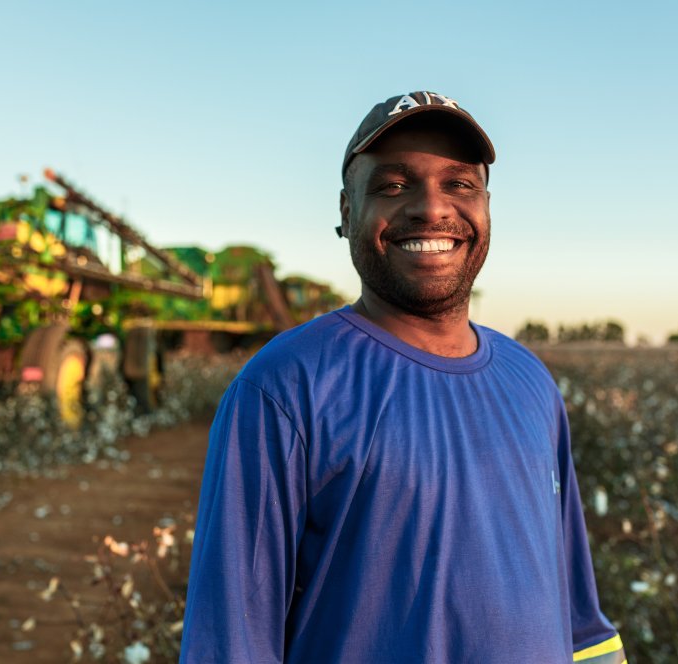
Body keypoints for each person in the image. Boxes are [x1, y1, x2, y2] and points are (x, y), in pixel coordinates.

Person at [180, 91, 626, 663]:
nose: (432, 209)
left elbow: (580, 619)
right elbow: (230, 643)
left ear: (487, 206)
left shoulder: (532, 381)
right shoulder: (283, 387)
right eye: (393, 186)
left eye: (459, 184)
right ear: (346, 213)